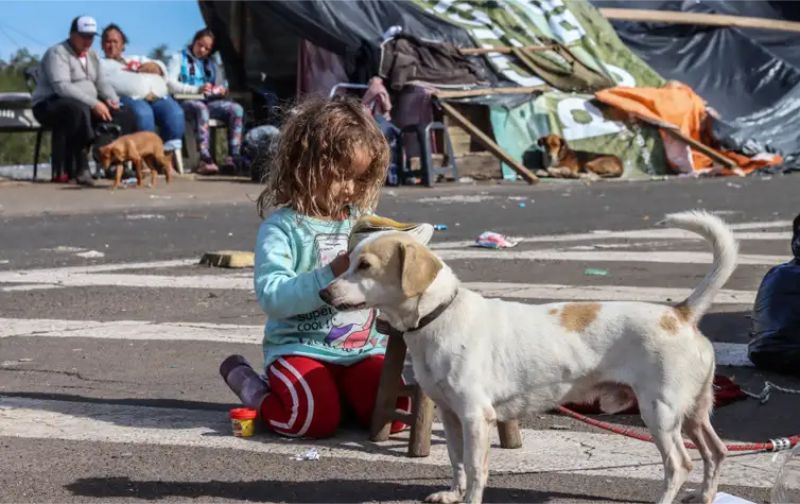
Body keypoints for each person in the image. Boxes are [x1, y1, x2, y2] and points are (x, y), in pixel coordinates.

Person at [220, 98, 410, 438]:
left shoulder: (360, 222)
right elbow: (273, 297)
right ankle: (252, 387)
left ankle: (338, 399)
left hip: (361, 351)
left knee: (394, 414)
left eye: (359, 178)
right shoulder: (284, 228)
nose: (351, 189)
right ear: (305, 166)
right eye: (342, 177)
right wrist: (330, 273)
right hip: (300, 348)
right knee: (309, 420)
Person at [32, 15, 136, 185]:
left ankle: (110, 160)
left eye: (91, 37)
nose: (88, 41)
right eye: (84, 36)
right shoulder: (57, 53)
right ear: (73, 34)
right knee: (77, 109)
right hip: (50, 105)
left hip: (85, 104)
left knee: (125, 112)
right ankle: (81, 166)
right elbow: (62, 87)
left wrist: (112, 99)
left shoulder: (93, 56)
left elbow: (102, 82)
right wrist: (94, 103)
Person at [99, 24, 184, 158]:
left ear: (123, 45)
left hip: (155, 96)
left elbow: (161, 66)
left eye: (115, 41)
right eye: (108, 42)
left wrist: (156, 67)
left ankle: (168, 158)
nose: (112, 45)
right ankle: (146, 157)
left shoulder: (136, 59)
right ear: (102, 45)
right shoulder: (100, 63)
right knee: (143, 113)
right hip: (127, 98)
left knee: (174, 112)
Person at [167, 28, 243, 175]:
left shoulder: (212, 63)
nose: (202, 50)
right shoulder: (179, 58)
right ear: (194, 41)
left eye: (207, 48)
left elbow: (221, 83)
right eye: (200, 45)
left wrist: (221, 89)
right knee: (201, 109)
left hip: (209, 102)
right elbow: (170, 83)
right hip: (185, 103)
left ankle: (234, 156)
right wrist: (196, 90)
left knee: (236, 109)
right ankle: (204, 158)